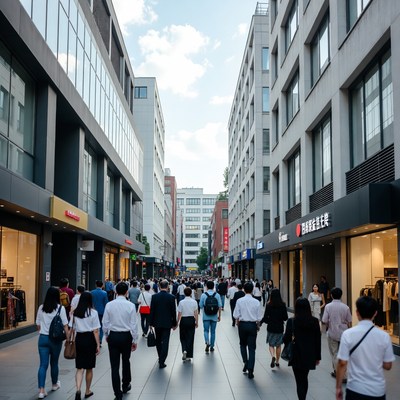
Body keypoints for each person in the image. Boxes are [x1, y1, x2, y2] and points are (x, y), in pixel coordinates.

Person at [336, 296, 395, 400]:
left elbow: (342, 363)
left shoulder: (348, 334)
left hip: (355, 388)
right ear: (376, 313)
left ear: (357, 312)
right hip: (377, 390)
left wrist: (338, 387)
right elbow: (388, 365)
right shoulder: (384, 336)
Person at [102, 282, 138, 400]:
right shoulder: (130, 305)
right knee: (126, 360)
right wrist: (135, 339)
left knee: (114, 366)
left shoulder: (109, 305)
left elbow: (105, 322)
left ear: (116, 292)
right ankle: (126, 384)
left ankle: (117, 393)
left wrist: (107, 334)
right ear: (127, 292)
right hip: (126, 336)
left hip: (113, 336)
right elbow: (133, 324)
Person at [283, 297, 321, 400]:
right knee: (304, 377)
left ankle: (301, 398)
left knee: (299, 380)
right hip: (310, 354)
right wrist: (318, 357)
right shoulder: (315, 321)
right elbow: (318, 340)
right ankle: (303, 397)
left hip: (296, 354)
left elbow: (286, 338)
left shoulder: (292, 321)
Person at [36, 286, 70, 399]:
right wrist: (68, 339)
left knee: (42, 365)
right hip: (55, 340)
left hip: (43, 339)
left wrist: (43, 331)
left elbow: (38, 325)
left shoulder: (41, 307)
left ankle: (41, 390)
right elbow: (65, 326)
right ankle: (54, 384)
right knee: (54, 363)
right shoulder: (61, 308)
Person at [70, 291, 101, 400]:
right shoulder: (93, 312)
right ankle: (87, 390)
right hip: (89, 339)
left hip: (79, 339)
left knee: (79, 368)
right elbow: (95, 331)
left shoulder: (75, 313)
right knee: (89, 367)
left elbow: (72, 329)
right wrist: (98, 344)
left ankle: (78, 389)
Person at [233, 282, 263, 379]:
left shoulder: (239, 301)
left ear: (244, 290)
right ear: (252, 290)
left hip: (242, 325)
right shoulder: (256, 302)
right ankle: (251, 369)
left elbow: (235, 315)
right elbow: (259, 317)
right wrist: (257, 326)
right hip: (252, 325)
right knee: (252, 348)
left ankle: (245, 362)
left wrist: (238, 320)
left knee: (242, 344)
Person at [321, 287, 352, 380]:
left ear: (331, 295)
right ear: (341, 295)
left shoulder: (328, 306)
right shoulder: (346, 307)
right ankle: (341, 372)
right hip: (344, 333)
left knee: (334, 353)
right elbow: (349, 321)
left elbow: (324, 320)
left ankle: (340, 374)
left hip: (332, 332)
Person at [149, 279, 178, 368]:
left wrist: (150, 323)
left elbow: (152, 310)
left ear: (159, 286)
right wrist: (174, 323)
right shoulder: (171, 297)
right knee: (165, 341)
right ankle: (162, 360)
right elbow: (173, 311)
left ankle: (160, 357)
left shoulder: (154, 297)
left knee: (158, 340)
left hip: (157, 322)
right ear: (168, 286)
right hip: (167, 323)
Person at [261, 288, 288, 368]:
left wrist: (263, 322)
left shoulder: (269, 304)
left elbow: (265, 317)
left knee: (271, 344)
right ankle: (277, 362)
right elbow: (285, 317)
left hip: (271, 327)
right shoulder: (283, 304)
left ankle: (273, 356)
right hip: (279, 327)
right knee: (278, 345)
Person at [199, 280, 222, 352]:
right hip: (214, 316)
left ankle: (207, 342)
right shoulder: (217, 295)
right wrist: (219, 316)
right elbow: (220, 306)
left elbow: (200, 305)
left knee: (206, 330)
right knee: (213, 331)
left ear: (206, 287)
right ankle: (212, 346)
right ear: (213, 286)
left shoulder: (203, 295)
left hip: (206, 316)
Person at [177, 287, 199, 362]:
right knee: (190, 337)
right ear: (190, 293)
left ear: (184, 293)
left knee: (182, 336)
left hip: (183, 320)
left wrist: (177, 322)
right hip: (191, 320)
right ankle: (188, 355)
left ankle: (184, 350)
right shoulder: (194, 302)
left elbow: (179, 313)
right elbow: (196, 313)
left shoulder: (181, 302)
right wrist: (197, 322)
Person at [91, 280, 108, 346]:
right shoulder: (104, 293)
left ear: (96, 285)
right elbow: (106, 303)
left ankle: (94, 339)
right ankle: (100, 340)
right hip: (101, 311)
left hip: (93, 311)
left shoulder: (92, 292)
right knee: (100, 326)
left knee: (93, 326)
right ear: (102, 285)